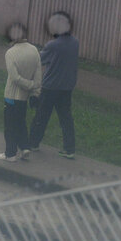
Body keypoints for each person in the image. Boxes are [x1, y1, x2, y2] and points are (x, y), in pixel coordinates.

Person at [28, 11, 79, 159]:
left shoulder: (53, 45)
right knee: (66, 118)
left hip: (50, 87)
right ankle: (70, 149)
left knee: (42, 116)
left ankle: (33, 143)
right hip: (67, 87)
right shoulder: (75, 43)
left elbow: (39, 60)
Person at [0, 23, 41, 162]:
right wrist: (35, 91)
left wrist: (29, 85)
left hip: (11, 96)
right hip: (24, 98)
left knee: (10, 125)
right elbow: (38, 74)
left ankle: (10, 154)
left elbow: (14, 77)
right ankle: (24, 147)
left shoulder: (10, 53)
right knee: (21, 122)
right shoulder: (34, 50)